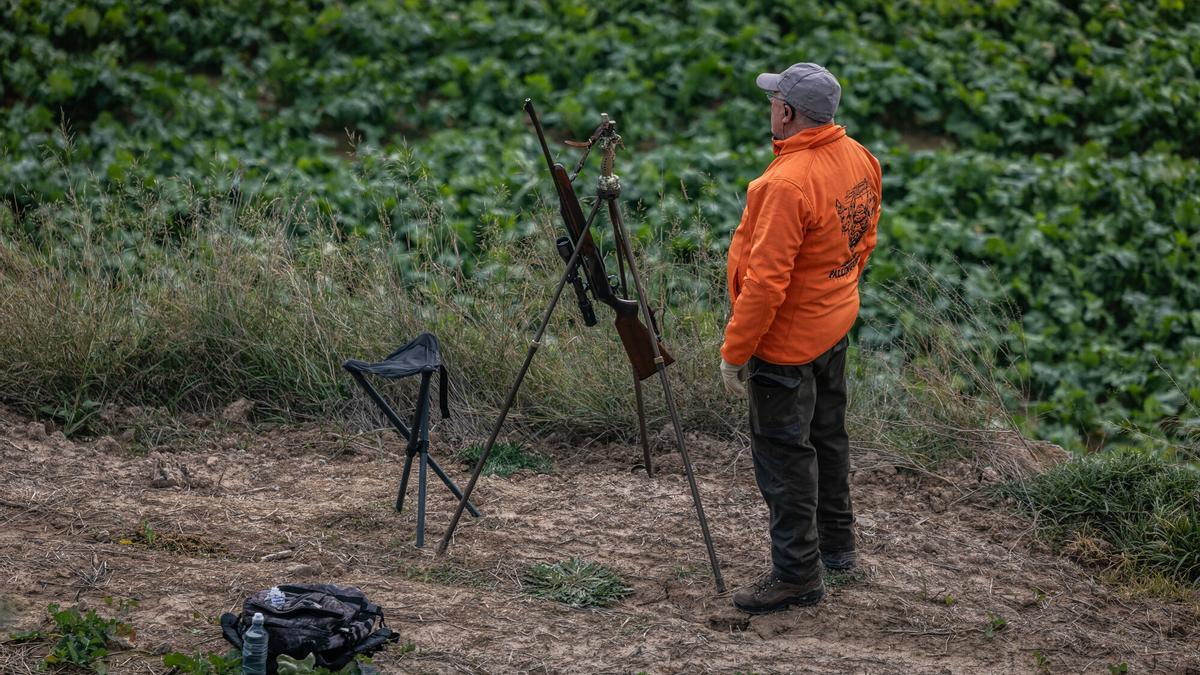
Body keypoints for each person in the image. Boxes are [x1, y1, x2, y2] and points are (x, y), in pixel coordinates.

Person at [720, 62, 881, 614]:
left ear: (786, 111)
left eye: (773, 100)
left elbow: (764, 285)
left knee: (786, 459)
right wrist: (835, 294)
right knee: (828, 438)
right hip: (833, 323)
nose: (770, 107)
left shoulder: (785, 183)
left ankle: (797, 575)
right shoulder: (860, 156)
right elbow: (865, 239)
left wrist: (735, 352)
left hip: (785, 344)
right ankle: (838, 550)